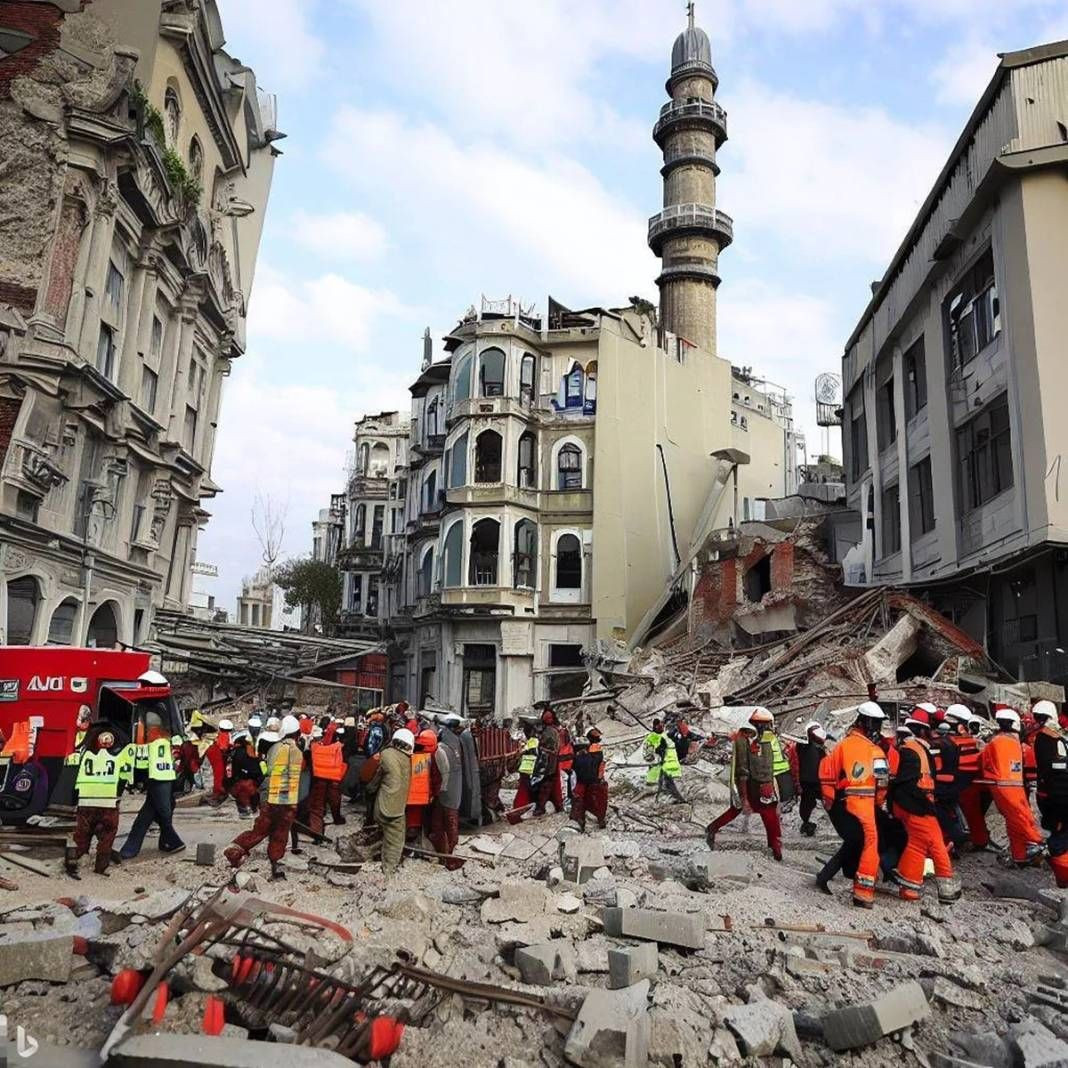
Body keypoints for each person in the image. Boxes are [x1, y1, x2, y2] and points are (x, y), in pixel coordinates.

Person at [816, 701, 889, 908]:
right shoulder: (877, 752)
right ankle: (863, 893)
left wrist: (829, 799)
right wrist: (879, 802)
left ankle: (827, 876)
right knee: (869, 842)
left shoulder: (843, 745)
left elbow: (826, 771)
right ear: (869, 725)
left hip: (845, 803)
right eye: (876, 725)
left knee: (855, 841)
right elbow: (882, 783)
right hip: (864, 805)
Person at [888, 708, 961, 902]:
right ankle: (947, 891)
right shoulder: (915, 750)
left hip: (909, 804)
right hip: (916, 805)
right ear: (922, 731)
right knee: (936, 843)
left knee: (917, 844)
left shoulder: (911, 749)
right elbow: (911, 782)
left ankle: (909, 887)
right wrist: (924, 805)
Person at [225, 715, 304, 880]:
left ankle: (235, 849)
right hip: (287, 800)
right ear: (297, 733)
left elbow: (268, 768)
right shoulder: (296, 751)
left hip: (270, 796)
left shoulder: (275, 748)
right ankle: (275, 866)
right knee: (280, 834)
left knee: (260, 829)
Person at [706, 708, 784, 860]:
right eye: (765, 725)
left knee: (770, 815)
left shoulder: (766, 740)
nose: (768, 728)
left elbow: (769, 765)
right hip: (751, 785)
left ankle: (774, 846)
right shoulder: (742, 740)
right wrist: (744, 797)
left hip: (764, 785)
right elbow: (742, 769)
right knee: (741, 810)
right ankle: (712, 829)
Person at [980, 706, 1046, 866]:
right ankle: (1039, 844)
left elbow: (984, 763)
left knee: (1015, 821)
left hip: (1005, 786)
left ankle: (1020, 856)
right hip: (1010, 787)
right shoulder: (1014, 744)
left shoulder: (995, 742)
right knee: (1021, 818)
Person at [119, 709, 185, 861]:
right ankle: (169, 841)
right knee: (159, 810)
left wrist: (136, 780)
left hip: (158, 777)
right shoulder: (168, 737)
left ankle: (136, 846)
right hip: (165, 777)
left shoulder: (150, 739)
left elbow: (141, 760)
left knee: (155, 812)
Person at [67, 729, 134, 878]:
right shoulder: (119, 757)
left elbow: (72, 774)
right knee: (107, 835)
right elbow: (125, 777)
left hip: (86, 801)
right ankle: (100, 867)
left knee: (81, 834)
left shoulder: (85, 756)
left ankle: (72, 862)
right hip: (107, 802)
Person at [367, 728, 414, 875]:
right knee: (395, 841)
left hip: (381, 805)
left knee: (386, 834)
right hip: (395, 808)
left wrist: (369, 790)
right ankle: (388, 872)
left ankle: (381, 860)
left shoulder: (385, 755)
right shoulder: (408, 760)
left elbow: (374, 780)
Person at [307, 725, 347, 835]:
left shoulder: (315, 747)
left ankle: (316, 830)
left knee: (317, 805)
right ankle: (337, 818)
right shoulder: (339, 747)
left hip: (319, 778)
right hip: (334, 779)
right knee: (335, 800)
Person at [571, 729, 609, 832]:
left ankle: (580, 820)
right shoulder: (594, 749)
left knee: (581, 801)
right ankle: (596, 819)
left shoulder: (584, 751)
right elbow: (600, 764)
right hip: (591, 780)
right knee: (595, 801)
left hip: (586, 780)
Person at [796, 721, 828, 836]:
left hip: (815, 779)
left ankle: (808, 823)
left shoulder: (818, 747)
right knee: (807, 803)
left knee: (810, 802)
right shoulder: (804, 745)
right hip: (808, 780)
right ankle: (807, 824)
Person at [406, 728, 437, 841]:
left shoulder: (411, 756)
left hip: (411, 795)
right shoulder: (431, 758)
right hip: (424, 795)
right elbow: (434, 778)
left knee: (413, 816)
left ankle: (412, 831)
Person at [644, 718, 685, 803]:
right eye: (660, 725)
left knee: (670, 783)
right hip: (659, 764)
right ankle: (658, 800)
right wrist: (656, 757)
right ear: (655, 726)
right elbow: (649, 753)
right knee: (658, 784)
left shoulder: (666, 734)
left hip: (669, 764)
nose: (662, 726)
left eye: (662, 725)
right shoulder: (652, 737)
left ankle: (674, 798)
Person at [509, 723, 541, 822]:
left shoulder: (533, 741)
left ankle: (520, 812)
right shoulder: (532, 741)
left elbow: (532, 753)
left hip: (529, 770)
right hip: (527, 770)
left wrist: (522, 751)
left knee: (525, 792)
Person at [226, 731, 264, 817]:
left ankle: (245, 809)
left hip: (241, 785)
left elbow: (230, 772)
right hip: (251, 784)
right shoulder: (250, 753)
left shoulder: (235, 753)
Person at [537, 708, 565, 814]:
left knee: (547, 783)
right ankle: (556, 805)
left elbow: (555, 748)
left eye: (550, 718)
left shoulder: (554, 731)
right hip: (543, 760)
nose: (548, 719)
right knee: (546, 783)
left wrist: (543, 749)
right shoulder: (543, 729)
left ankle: (541, 806)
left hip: (550, 761)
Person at [205, 720, 233, 805]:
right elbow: (223, 748)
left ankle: (219, 791)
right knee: (219, 775)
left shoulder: (220, 735)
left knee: (220, 774)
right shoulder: (224, 735)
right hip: (217, 755)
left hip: (214, 754)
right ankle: (217, 794)